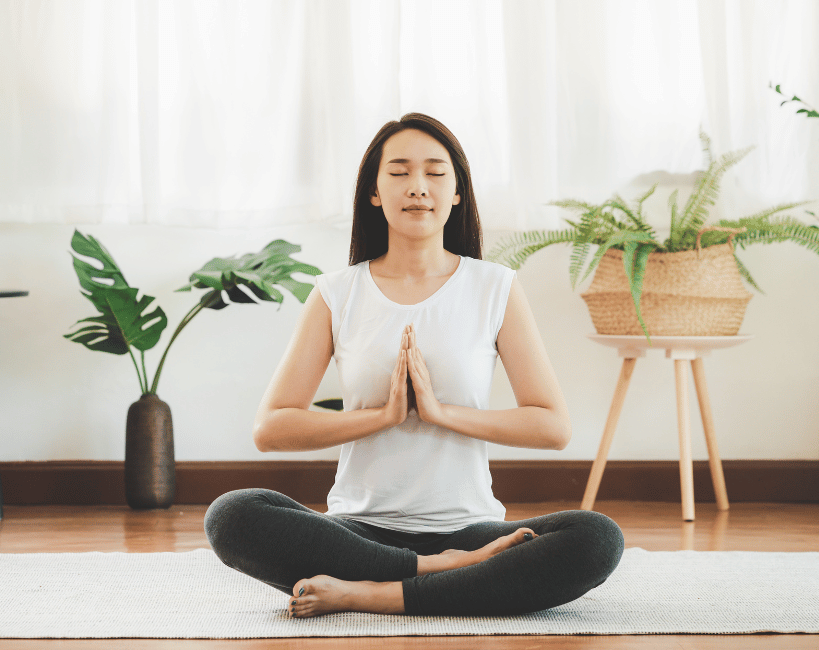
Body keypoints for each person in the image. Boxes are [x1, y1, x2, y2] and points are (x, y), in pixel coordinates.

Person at [205, 113, 624, 618]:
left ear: (457, 193)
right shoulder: (336, 293)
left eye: (435, 173)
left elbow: (552, 426)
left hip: (468, 529)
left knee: (596, 538)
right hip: (359, 529)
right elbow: (271, 428)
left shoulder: (495, 288)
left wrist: (440, 412)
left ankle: (371, 593)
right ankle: (437, 574)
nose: (418, 187)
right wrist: (382, 416)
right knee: (231, 515)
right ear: (375, 192)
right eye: (399, 172)